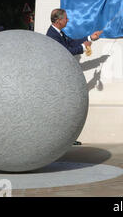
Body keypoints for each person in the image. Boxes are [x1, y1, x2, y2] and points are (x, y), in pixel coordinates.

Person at [46, 8, 103, 145]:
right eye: (66, 18)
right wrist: (84, 47)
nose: (68, 20)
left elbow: (71, 42)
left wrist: (90, 38)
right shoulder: (52, 35)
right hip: (58, 78)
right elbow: (66, 51)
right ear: (59, 20)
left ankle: (67, 139)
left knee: (67, 109)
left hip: (63, 78)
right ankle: (62, 140)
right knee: (61, 110)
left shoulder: (59, 33)